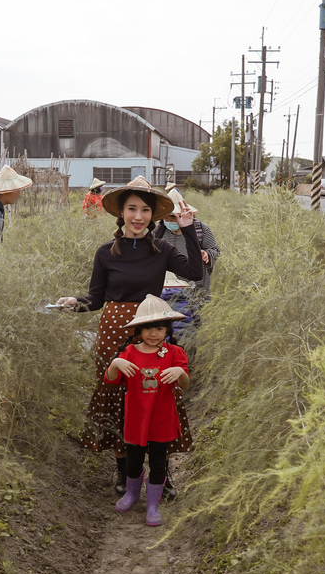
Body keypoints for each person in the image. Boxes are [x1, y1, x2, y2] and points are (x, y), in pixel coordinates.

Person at [56, 176, 202, 498]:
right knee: (120, 398)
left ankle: (160, 474)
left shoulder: (162, 249)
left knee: (159, 394)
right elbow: (95, 299)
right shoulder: (105, 253)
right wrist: (73, 303)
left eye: (146, 210)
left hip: (154, 326)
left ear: (153, 215)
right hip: (114, 330)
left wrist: (188, 228)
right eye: (132, 209)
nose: (139, 217)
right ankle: (124, 470)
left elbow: (194, 273)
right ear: (120, 213)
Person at [105, 295, 190, 526]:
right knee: (133, 460)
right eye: (149, 329)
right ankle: (132, 494)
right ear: (139, 330)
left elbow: (185, 383)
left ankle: (152, 504)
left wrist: (179, 373)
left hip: (162, 418)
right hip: (135, 418)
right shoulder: (129, 353)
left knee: (159, 461)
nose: (154, 334)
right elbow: (111, 380)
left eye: (160, 329)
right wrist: (115, 364)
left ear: (167, 329)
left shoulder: (174, 353)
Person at [155, 197, 220, 339]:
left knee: (193, 324)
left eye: (172, 216)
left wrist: (207, 254)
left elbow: (215, 249)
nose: (169, 220)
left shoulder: (200, 229)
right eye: (165, 216)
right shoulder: (158, 231)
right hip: (166, 289)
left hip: (196, 287)